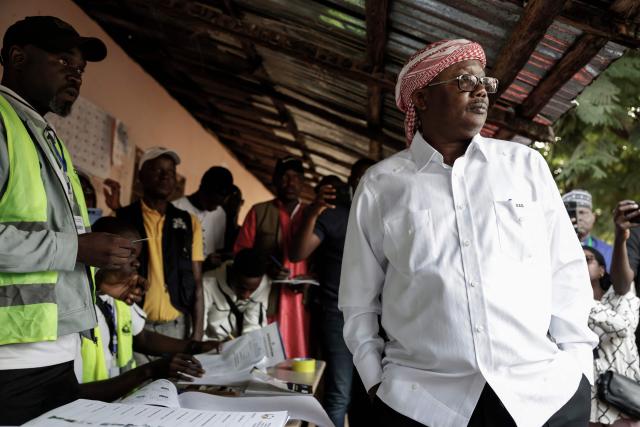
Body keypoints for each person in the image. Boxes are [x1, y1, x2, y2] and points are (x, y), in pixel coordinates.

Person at [339, 39, 596, 427]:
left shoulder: (524, 166)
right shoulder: (381, 187)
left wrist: (580, 369)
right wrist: (376, 380)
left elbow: (567, 272)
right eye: (463, 81)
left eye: (484, 82)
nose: (480, 90)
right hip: (422, 403)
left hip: (541, 398)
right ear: (422, 99)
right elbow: (358, 300)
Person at [0, 16, 138, 425]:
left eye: (80, 68)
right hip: (12, 356)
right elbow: (65, 243)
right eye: (63, 61)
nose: (75, 74)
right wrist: (76, 247)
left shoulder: (43, 134)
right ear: (18, 57)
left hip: (56, 346)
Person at [75, 217, 219, 402]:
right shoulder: (74, 305)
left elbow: (142, 337)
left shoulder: (116, 297)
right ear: (102, 253)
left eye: (137, 257)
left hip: (117, 405)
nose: (137, 264)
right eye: (128, 254)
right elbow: (73, 392)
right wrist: (150, 370)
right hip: (85, 409)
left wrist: (197, 347)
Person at [290, 159, 374, 427]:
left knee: (369, 394)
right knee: (339, 394)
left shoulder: (386, 214)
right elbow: (297, 253)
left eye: (368, 177)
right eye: (357, 178)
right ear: (349, 182)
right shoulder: (334, 215)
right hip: (337, 314)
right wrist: (314, 212)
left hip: (376, 318)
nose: (362, 183)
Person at [116, 147, 205, 355]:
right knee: (135, 386)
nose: (165, 176)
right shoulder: (123, 218)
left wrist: (197, 335)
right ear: (141, 177)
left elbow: (197, 282)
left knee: (171, 387)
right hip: (134, 325)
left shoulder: (188, 222)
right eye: (157, 170)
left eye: (171, 172)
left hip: (176, 328)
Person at [234, 156, 309, 358]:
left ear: (303, 182)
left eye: (296, 177)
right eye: (284, 177)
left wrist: (309, 280)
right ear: (275, 180)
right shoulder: (259, 211)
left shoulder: (310, 215)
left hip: (301, 299)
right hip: (265, 296)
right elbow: (241, 253)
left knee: (300, 354)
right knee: (266, 354)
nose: (290, 183)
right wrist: (266, 266)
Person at [585, 246, 640, 427]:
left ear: (602, 270)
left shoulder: (623, 296)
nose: (581, 265)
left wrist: (583, 301)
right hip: (590, 399)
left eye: (588, 260)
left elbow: (623, 327)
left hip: (622, 395)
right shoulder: (566, 305)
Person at [172, 166, 234, 270]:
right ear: (202, 188)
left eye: (219, 204)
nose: (215, 208)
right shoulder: (175, 209)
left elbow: (216, 250)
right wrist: (202, 265)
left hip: (206, 279)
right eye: (212, 203)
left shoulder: (220, 214)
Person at [202, 248, 270, 341]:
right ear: (232, 272)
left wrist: (247, 345)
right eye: (241, 288)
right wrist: (216, 347)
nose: (246, 296)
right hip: (211, 345)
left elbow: (254, 326)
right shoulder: (208, 283)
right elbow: (198, 334)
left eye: (252, 290)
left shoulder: (263, 284)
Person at [563, 189, 613, 270]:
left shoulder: (607, 251)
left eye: (582, 212)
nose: (578, 218)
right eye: (572, 214)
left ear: (593, 217)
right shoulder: (557, 246)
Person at [223, 185, 244, 255]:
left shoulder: (243, 233)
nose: (232, 204)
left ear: (241, 202)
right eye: (229, 200)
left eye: (235, 200)